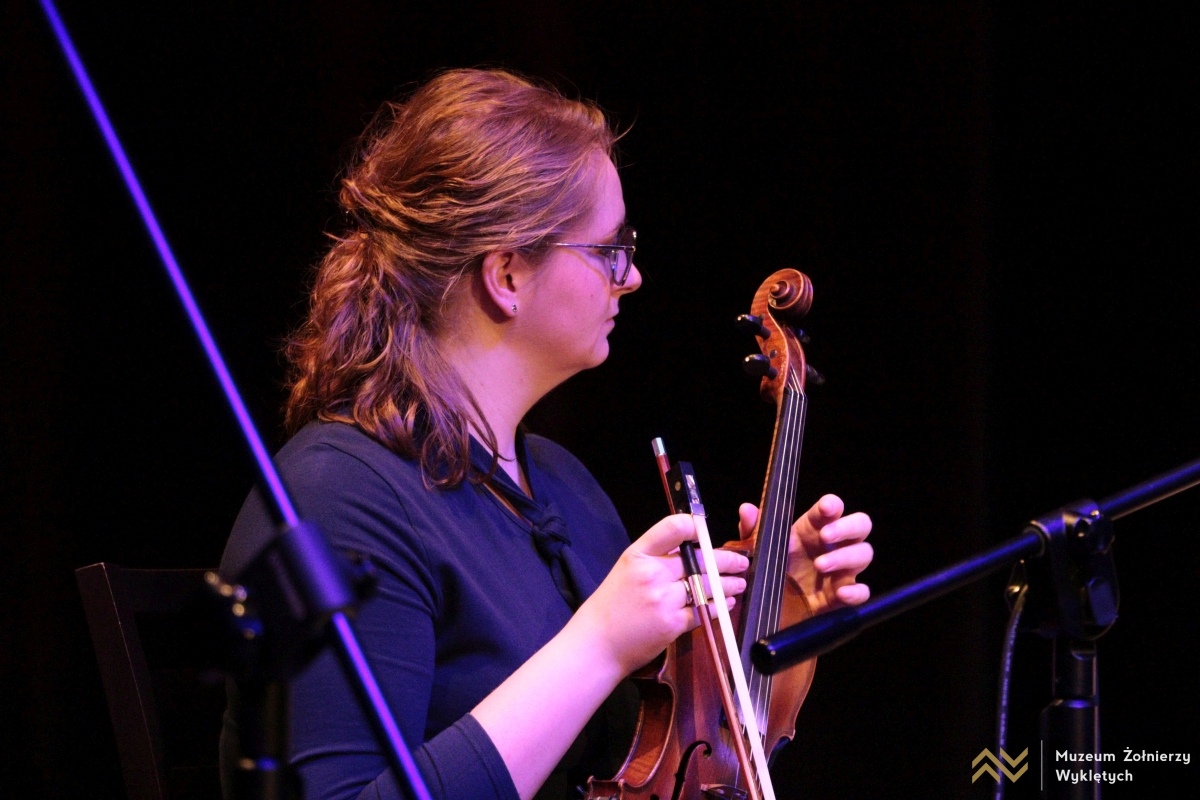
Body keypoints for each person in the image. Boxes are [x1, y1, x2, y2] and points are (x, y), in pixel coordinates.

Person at [220, 68, 873, 800]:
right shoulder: (336, 501)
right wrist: (596, 643)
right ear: (506, 274)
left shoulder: (562, 484)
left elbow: (657, 766)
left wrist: (767, 603)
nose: (631, 278)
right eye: (608, 250)